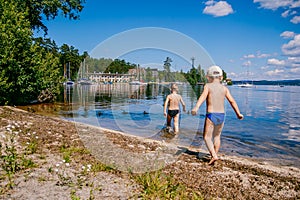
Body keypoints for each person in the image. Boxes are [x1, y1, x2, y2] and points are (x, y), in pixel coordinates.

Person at [191, 65, 244, 165]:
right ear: (221, 77)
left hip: (211, 115)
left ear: (208, 77)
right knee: (217, 136)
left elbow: (202, 97)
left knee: (206, 137)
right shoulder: (224, 89)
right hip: (222, 115)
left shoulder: (207, 86)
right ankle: (214, 155)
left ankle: (214, 155)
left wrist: (196, 107)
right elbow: (232, 101)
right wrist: (238, 113)